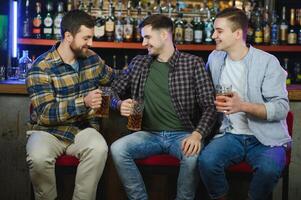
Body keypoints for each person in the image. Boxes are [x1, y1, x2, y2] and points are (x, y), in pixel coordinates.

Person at [109, 14, 217, 200]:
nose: (144, 43)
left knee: (192, 156)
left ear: (165, 35)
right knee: (118, 149)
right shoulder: (139, 63)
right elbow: (110, 90)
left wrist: (197, 135)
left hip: (183, 134)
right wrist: (118, 104)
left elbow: (210, 106)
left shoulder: (192, 63)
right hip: (149, 134)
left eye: (147, 37)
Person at [198, 8, 292, 200]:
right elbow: (205, 93)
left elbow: (282, 108)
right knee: (207, 161)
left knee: (268, 169)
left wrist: (242, 106)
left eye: (219, 31)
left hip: (266, 139)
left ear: (238, 33)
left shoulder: (267, 62)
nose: (213, 35)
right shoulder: (215, 59)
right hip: (230, 134)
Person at [26, 10, 118, 200]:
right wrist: (83, 102)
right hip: (47, 132)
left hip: (82, 129)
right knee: (37, 157)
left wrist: (145, 66)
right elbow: (44, 114)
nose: (91, 43)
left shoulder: (92, 58)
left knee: (99, 147)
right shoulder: (41, 67)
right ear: (68, 36)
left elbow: (115, 79)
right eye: (86, 38)